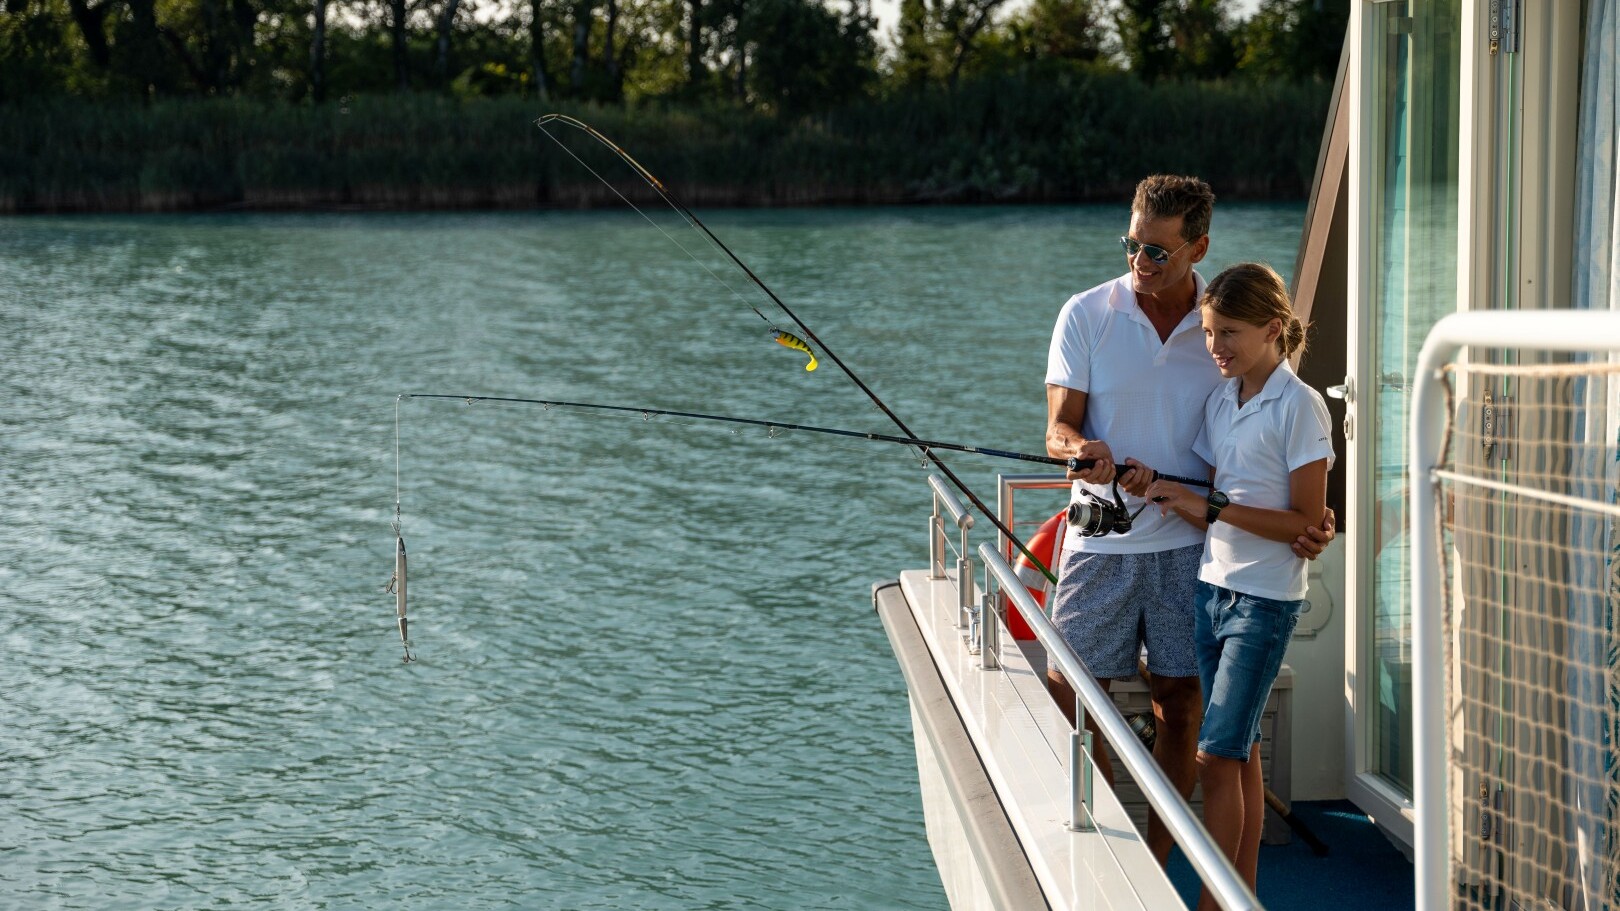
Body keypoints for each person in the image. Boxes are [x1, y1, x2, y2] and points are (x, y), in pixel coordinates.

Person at [1043, 175, 1332, 867]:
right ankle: (1109, 825)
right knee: (1069, 688)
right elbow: (1057, 428)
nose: (1140, 262)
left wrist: (1309, 518)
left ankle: (1156, 852)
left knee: (1181, 698)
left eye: (1158, 252)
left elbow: (1269, 440)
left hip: (1198, 550)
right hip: (1100, 539)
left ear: (1199, 245)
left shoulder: (1221, 330)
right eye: (1132, 245)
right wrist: (1081, 448)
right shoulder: (1086, 314)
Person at [1141, 262, 1333, 909]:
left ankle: (1213, 903)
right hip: (1212, 589)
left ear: (1272, 329)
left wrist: (1210, 509)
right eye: (1209, 332)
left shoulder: (1300, 405)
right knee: (1242, 747)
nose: (1216, 347)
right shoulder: (1223, 399)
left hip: (1264, 600)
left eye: (1229, 333)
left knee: (1214, 757)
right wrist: (1157, 483)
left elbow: (1305, 519)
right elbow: (1211, 487)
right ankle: (1242, 895)